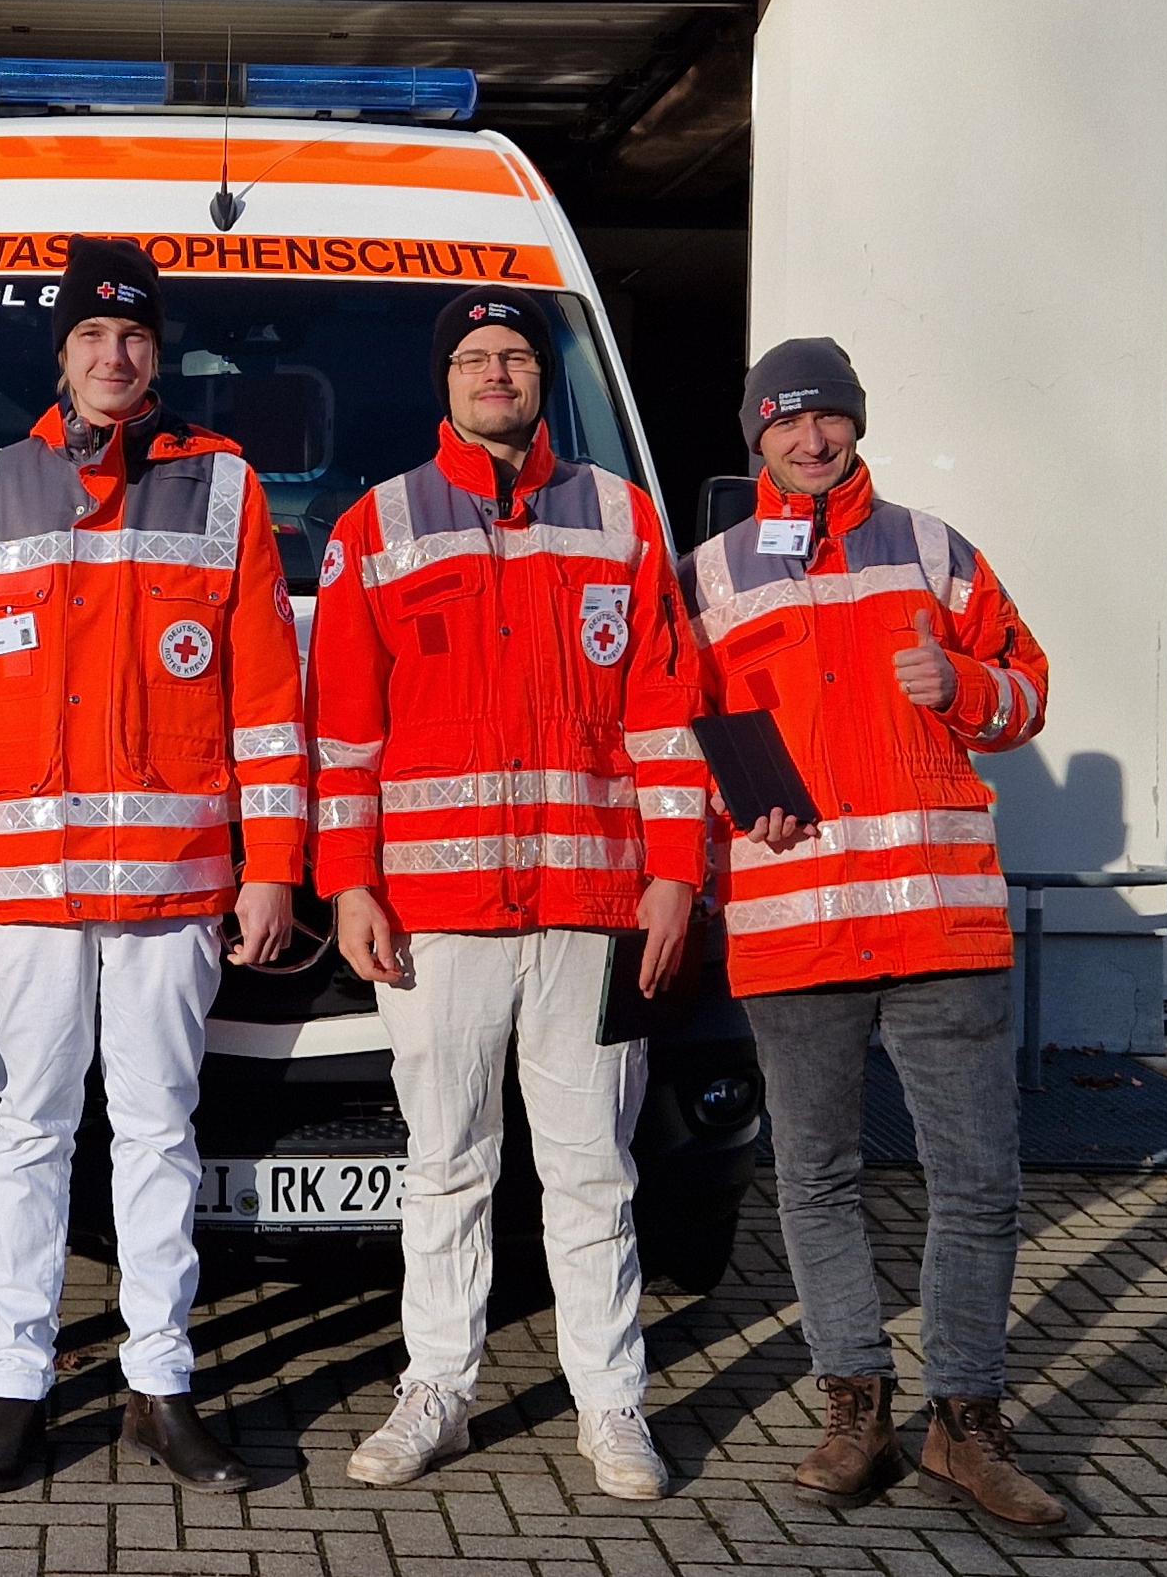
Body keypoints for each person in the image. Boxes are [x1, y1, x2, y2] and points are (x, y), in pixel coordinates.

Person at [307, 287, 707, 1500]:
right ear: (447, 382)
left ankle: (612, 1404)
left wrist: (678, 876)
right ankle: (437, 1388)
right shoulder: (375, 527)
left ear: (545, 381)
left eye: (517, 357)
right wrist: (349, 883)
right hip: (439, 921)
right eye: (477, 357)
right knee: (446, 1162)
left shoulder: (623, 520)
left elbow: (666, 719)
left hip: (592, 910)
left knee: (595, 1169)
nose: (497, 374)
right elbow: (345, 736)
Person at [0, 236, 307, 1495]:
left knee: (158, 1134)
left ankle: (160, 1384)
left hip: (174, 882)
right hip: (29, 889)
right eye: (92, 335)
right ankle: (17, 1387)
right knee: (27, 1132)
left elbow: (265, 694)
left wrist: (273, 864)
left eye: (135, 335)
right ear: (62, 352)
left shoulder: (224, 489)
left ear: (161, 352)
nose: (114, 354)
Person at [679, 339, 1061, 1536]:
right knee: (817, 1181)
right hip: (794, 928)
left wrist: (962, 683)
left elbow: (1030, 688)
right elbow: (682, 732)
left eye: (829, 419)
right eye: (787, 422)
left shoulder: (933, 548)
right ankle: (857, 1408)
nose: (811, 440)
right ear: (757, 438)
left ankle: (966, 1420)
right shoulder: (711, 573)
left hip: (942, 922)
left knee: (980, 1182)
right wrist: (736, 803)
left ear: (855, 427)